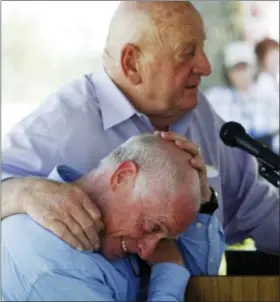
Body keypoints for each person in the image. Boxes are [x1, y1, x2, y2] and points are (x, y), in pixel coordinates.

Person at [2, 1, 279, 256]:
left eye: (202, 48)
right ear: (132, 63)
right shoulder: (64, 121)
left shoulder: (198, 113)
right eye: (187, 53)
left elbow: (257, 208)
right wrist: (23, 193)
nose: (205, 67)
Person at [2, 134, 225, 301]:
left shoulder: (115, 228)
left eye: (162, 237)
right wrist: (168, 272)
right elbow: (176, 270)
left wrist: (203, 200)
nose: (148, 251)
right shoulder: (52, 259)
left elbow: (195, 279)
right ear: (122, 177)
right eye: (150, 226)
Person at [205, 41, 278, 148]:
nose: (241, 73)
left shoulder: (268, 91)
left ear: (254, 68)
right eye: (236, 68)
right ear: (227, 72)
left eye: (244, 67)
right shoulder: (215, 97)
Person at [254, 38, 279, 153]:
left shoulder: (272, 80)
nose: (276, 59)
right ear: (262, 58)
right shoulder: (263, 82)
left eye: (277, 54)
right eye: (271, 56)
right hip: (267, 136)